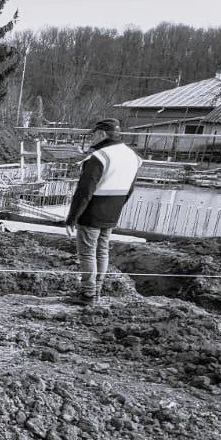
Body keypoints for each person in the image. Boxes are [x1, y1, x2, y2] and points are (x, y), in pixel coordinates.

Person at [65, 118, 141, 305]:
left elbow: (84, 191)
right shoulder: (133, 157)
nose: (91, 138)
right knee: (102, 251)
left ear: (101, 134)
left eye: (93, 134)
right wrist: (117, 208)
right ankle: (96, 290)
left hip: (92, 211)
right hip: (112, 211)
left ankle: (88, 294)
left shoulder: (99, 157)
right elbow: (130, 189)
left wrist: (72, 218)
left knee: (88, 253)